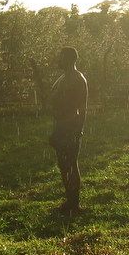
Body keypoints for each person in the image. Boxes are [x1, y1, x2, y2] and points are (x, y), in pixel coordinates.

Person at [49, 46, 88, 215]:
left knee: (71, 163)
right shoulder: (63, 78)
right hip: (61, 126)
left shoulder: (78, 79)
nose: (59, 60)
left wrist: (77, 130)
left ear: (71, 59)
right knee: (63, 165)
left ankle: (75, 204)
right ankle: (69, 201)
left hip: (71, 127)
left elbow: (81, 108)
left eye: (62, 57)